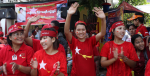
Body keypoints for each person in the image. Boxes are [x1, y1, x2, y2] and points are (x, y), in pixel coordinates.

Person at [64, 2, 106, 76]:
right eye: (78, 30)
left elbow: (102, 33)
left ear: (86, 30)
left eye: (83, 29)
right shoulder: (73, 42)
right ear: (75, 31)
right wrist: (69, 14)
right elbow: (66, 32)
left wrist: (103, 19)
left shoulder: (91, 41)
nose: (81, 32)